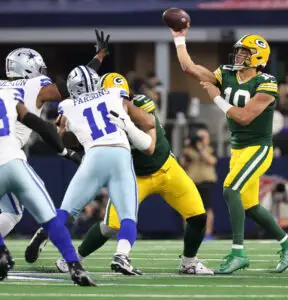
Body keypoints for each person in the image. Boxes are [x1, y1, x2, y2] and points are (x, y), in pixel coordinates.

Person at [32, 72, 213, 275]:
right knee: (110, 226)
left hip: (166, 167)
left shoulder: (140, 104)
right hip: (135, 174)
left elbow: (150, 146)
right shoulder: (104, 108)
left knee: (198, 216)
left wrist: (126, 125)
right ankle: (75, 258)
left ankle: (188, 262)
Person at [170, 24, 288, 274]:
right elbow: (189, 68)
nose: (239, 56)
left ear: (258, 57)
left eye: (245, 52)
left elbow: (243, 117)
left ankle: (238, 252)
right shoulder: (226, 73)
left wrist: (216, 97)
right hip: (238, 148)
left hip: (258, 147)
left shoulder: (267, 83)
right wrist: (179, 39)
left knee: (231, 190)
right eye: (239, 52)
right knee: (249, 205)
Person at [26, 66, 155, 275]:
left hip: (93, 155)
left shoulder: (67, 105)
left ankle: (47, 232)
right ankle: (122, 256)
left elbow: (63, 135)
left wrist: (64, 132)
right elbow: (140, 116)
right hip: (120, 153)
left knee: (66, 211)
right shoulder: (113, 92)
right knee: (128, 216)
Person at [0, 29, 109, 238]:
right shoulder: (33, 85)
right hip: (7, 157)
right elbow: (74, 86)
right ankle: (68, 256)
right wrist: (98, 59)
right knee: (22, 211)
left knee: (12, 211)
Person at [0, 89, 94, 285]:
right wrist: (64, 151)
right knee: (50, 219)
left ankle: (2, 252)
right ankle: (75, 266)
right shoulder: (8, 95)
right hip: (15, 162)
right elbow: (42, 127)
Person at [181, 125, 218, 240]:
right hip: (192, 182)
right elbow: (182, 164)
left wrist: (201, 149)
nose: (201, 139)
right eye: (199, 137)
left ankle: (207, 233)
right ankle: (189, 233)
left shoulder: (211, 149)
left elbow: (211, 161)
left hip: (206, 182)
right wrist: (190, 148)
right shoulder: (188, 150)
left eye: (203, 137)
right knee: (188, 209)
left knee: (207, 209)